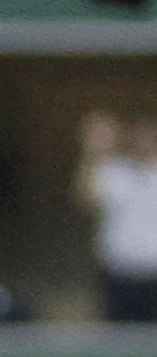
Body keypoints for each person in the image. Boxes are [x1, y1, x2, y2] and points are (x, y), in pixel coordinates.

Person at [76, 112, 157, 325]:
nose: (144, 141)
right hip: (119, 273)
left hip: (154, 272)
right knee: (118, 338)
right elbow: (85, 197)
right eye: (139, 135)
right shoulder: (115, 171)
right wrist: (94, 150)